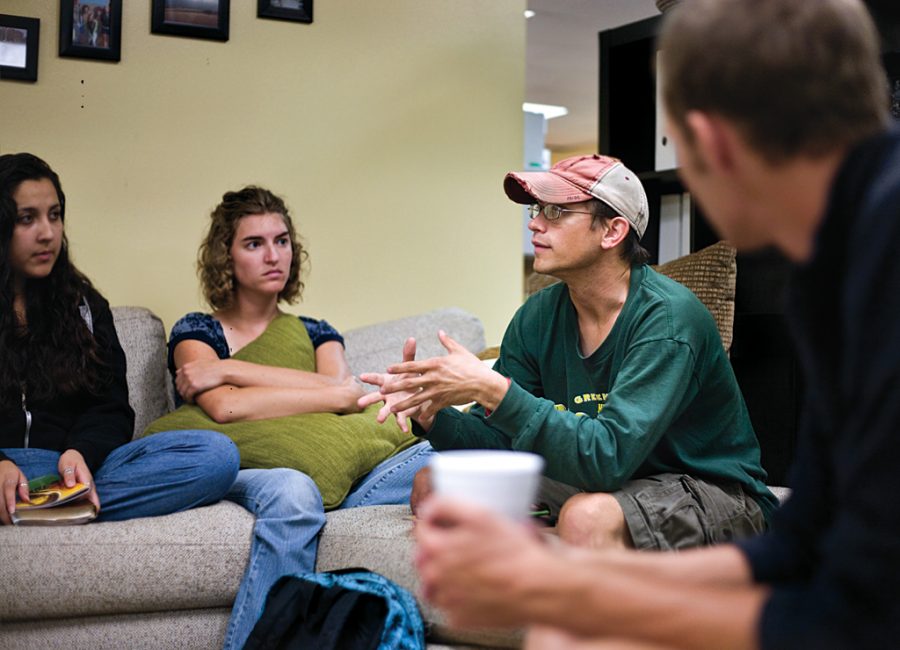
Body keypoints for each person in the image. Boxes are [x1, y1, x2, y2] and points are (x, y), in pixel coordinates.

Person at [414, 0, 900, 648]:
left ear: (711, 141)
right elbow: (802, 546)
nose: (536, 225)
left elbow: (858, 611)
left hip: (700, 491)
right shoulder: (830, 270)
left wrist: (568, 588)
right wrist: (560, 582)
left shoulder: (876, 255)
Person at [362, 152, 775, 551]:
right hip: (611, 478)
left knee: (585, 517)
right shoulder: (538, 315)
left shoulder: (668, 321)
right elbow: (503, 444)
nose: (535, 225)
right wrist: (433, 416)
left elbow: (607, 457)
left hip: (707, 487)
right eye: (536, 211)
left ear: (612, 232)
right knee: (434, 485)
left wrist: (494, 390)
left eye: (556, 212)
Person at [165, 186, 434, 650]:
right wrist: (315, 391)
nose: (274, 255)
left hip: (335, 473)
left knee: (446, 449)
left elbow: (346, 396)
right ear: (225, 257)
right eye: (255, 243)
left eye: (282, 240)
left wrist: (229, 369)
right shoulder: (197, 330)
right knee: (295, 490)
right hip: (251, 467)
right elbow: (224, 407)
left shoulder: (316, 332)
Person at [0, 152, 239, 527]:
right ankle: (46, 505)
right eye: (26, 218)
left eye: (55, 215)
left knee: (216, 455)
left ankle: (50, 503)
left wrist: (81, 452)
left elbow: (110, 408)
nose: (47, 232)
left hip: (67, 469)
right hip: (3, 466)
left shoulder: (85, 306)